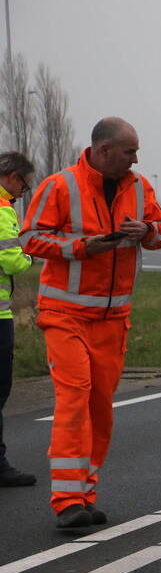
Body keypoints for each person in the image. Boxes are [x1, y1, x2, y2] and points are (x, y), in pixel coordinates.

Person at [21, 117, 161, 528]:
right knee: (75, 397)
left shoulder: (139, 188)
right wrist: (84, 247)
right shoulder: (60, 186)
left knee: (99, 407)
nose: (135, 160)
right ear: (104, 151)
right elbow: (31, 237)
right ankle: (67, 501)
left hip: (113, 320)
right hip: (65, 315)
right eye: (129, 152)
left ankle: (85, 492)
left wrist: (146, 231)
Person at [0, 152, 36, 487]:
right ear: (12, 177)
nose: (23, 193)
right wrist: (31, 255)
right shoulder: (2, 210)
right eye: (23, 185)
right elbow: (12, 263)